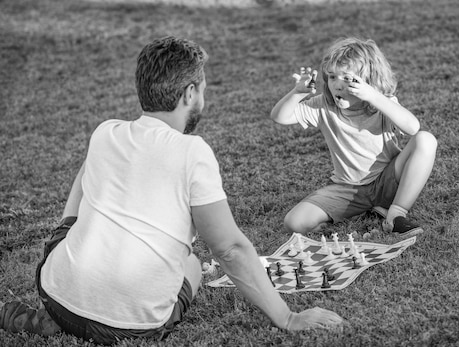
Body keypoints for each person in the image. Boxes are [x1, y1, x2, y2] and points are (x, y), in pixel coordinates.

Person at [0, 36, 343, 345]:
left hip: (55, 296)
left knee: (89, 173)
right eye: (203, 90)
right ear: (190, 93)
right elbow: (231, 250)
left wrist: (70, 229)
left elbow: (84, 188)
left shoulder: (106, 132)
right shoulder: (192, 151)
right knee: (191, 264)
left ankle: (57, 312)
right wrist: (287, 317)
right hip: (130, 325)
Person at [270, 37, 437, 237]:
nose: (337, 86)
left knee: (425, 139)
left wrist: (374, 96)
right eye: (332, 77)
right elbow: (280, 117)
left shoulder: (382, 103)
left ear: (368, 81)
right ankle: (369, 209)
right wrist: (297, 93)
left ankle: (396, 214)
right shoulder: (323, 105)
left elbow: (413, 127)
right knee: (294, 222)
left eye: (347, 78)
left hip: (388, 180)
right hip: (348, 189)